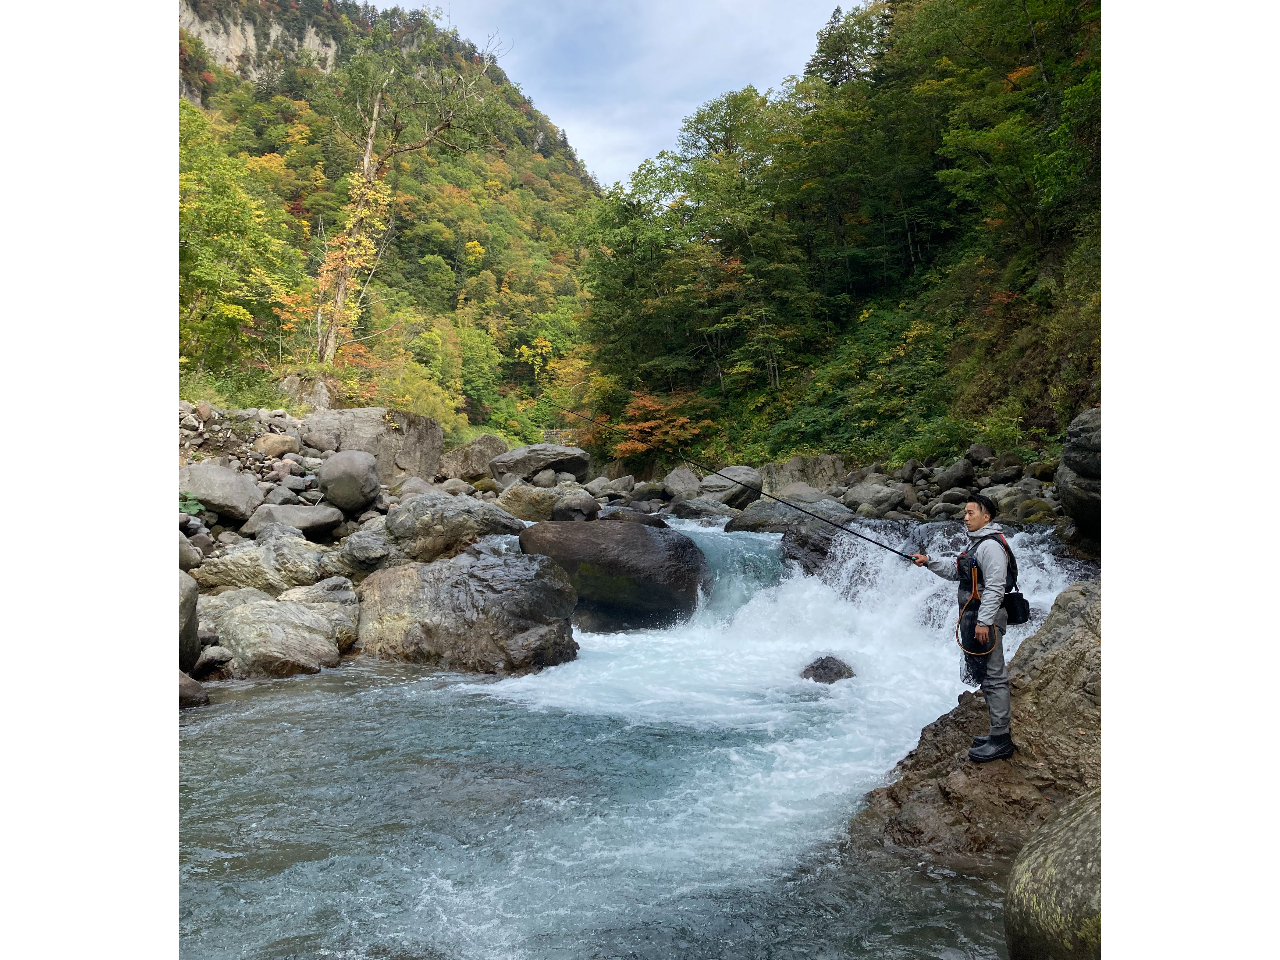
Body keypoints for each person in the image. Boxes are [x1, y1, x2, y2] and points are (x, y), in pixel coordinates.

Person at [910, 494, 1018, 762]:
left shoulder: (990, 547)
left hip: (986, 619)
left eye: (971, 513)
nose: (966, 517)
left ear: (987, 517)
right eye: (965, 513)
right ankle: (996, 734)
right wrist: (929, 561)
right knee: (987, 677)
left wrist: (984, 622)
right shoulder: (978, 544)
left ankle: (1001, 740)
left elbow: (995, 586)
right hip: (976, 617)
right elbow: (955, 570)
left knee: (993, 678)